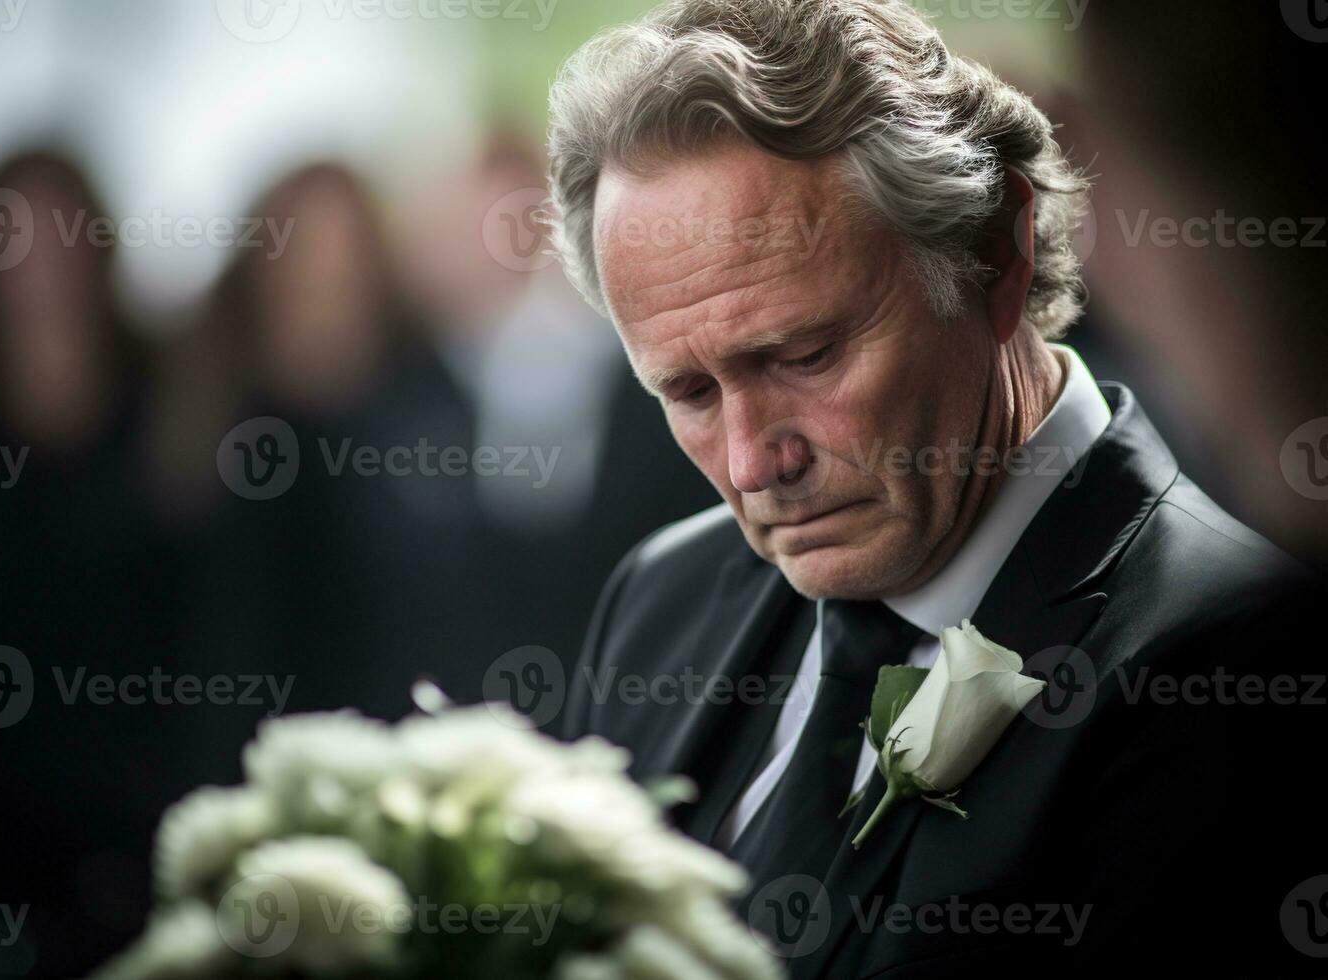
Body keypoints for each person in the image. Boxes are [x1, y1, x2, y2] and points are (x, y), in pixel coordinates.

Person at [548, 1, 1320, 975]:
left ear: (996, 254)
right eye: (690, 391)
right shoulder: (662, 596)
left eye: (805, 354)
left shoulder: (1236, 666)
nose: (752, 462)